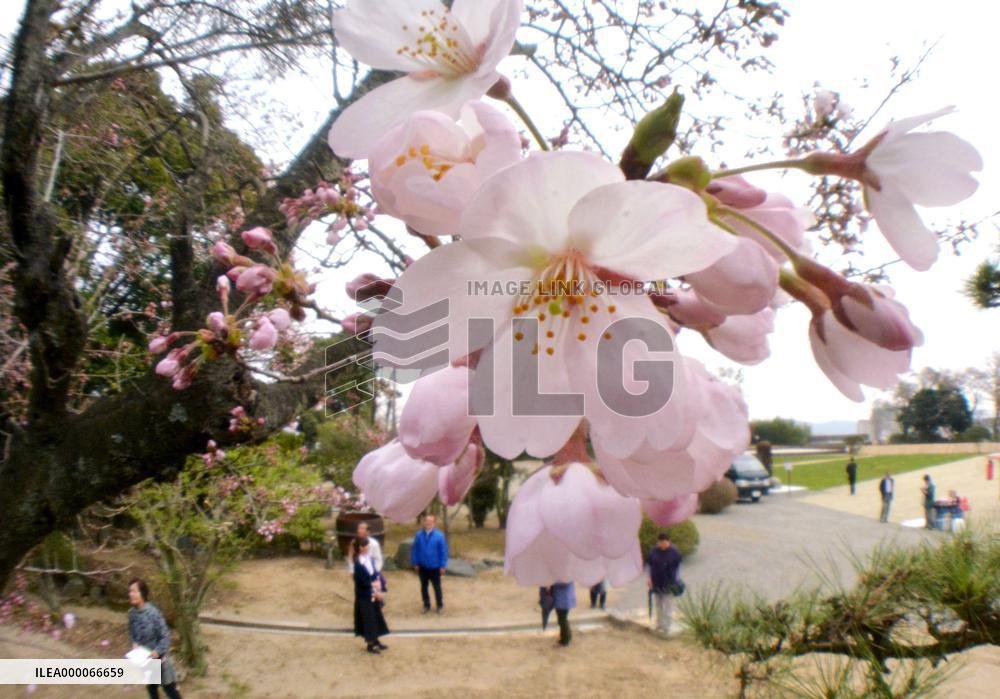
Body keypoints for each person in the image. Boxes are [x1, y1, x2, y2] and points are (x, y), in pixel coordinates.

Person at [127, 578, 182, 699]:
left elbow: (166, 636)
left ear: (142, 594)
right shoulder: (132, 614)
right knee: (152, 689)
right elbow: (131, 634)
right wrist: (134, 644)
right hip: (145, 660)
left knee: (170, 690)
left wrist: (157, 652)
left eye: (134, 591)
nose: (131, 594)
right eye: (130, 591)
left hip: (160, 660)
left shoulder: (153, 614)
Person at [352, 536, 389, 654]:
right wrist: (374, 591)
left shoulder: (369, 559)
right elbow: (363, 583)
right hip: (364, 596)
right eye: (365, 545)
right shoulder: (358, 564)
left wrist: (378, 588)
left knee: (376, 616)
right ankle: (370, 644)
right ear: (360, 548)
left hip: (372, 594)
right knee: (369, 620)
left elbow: (374, 574)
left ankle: (376, 640)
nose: (367, 547)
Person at [410, 514, 448, 613]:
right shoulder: (419, 535)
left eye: (430, 521)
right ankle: (426, 605)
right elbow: (415, 549)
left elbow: (443, 552)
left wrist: (443, 565)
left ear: (434, 523)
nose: (428, 523)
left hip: (435, 567)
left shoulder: (439, 536)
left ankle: (439, 606)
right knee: (424, 587)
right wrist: (415, 563)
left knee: (437, 587)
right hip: (422, 567)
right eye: (426, 521)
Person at [646, 532, 682, 634]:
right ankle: (659, 624)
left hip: (669, 582)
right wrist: (649, 578)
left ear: (669, 542)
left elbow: (678, 567)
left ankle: (667, 626)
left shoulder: (674, 553)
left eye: (664, 542)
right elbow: (649, 565)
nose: (662, 544)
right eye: (660, 542)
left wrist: (677, 580)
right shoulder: (653, 552)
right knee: (658, 604)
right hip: (656, 582)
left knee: (667, 605)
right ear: (658, 542)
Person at [347, 521, 385, 591]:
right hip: (359, 572)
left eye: (362, 528)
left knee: (371, 593)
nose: (359, 530)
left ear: (368, 531)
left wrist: (374, 573)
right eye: (358, 528)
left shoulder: (374, 544)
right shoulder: (354, 542)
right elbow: (351, 557)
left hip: (371, 572)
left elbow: (378, 559)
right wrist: (352, 570)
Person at [551, 582, 575, 647]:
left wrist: (553, 582)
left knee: (562, 620)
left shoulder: (565, 575)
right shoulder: (564, 574)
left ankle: (565, 640)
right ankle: (565, 637)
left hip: (563, 600)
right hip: (562, 600)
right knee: (562, 619)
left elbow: (564, 583)